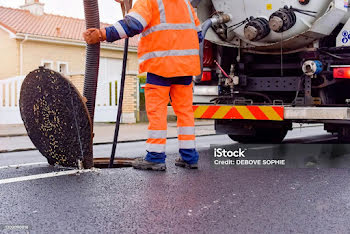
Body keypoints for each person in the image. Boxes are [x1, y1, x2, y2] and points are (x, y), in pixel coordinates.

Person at [83, 0, 203, 171]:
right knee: (185, 112)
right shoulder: (185, 4)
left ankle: (155, 157)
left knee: (157, 113)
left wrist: (102, 34)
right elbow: (198, 34)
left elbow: (133, 24)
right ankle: (189, 157)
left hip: (160, 66)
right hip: (185, 67)